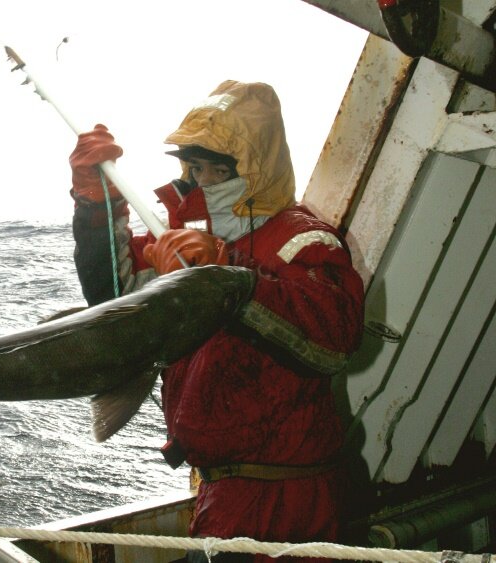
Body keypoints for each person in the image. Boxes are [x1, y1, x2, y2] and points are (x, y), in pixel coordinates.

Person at [68, 81, 365, 562]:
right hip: (217, 494)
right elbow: (111, 299)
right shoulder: (178, 238)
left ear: (251, 169)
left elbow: (332, 343)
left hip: (293, 501)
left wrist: (232, 276)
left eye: (216, 168)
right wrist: (95, 203)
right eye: (195, 167)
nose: (201, 180)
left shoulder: (305, 239)